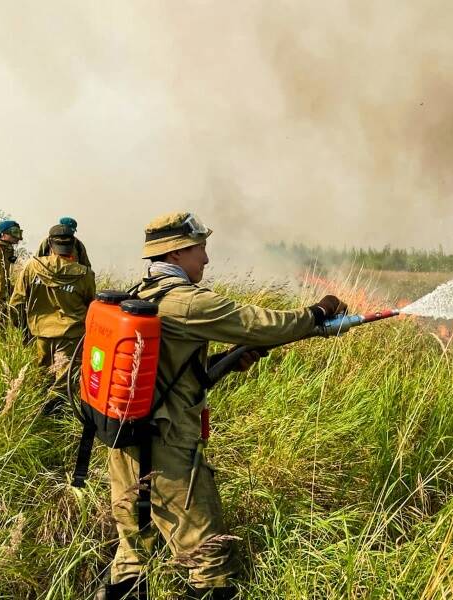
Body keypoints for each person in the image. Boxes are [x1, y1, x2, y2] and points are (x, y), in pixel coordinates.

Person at [99, 212, 346, 600]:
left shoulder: (139, 294)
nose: (207, 260)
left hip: (124, 441)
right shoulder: (186, 302)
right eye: (201, 249)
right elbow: (263, 324)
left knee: (134, 549)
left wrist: (226, 361)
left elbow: (169, 373)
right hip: (169, 450)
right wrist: (318, 312)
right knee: (208, 557)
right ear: (178, 252)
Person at [10, 224, 96, 414]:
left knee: (39, 378)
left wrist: (23, 331)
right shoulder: (85, 274)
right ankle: (53, 421)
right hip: (71, 338)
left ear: (50, 243)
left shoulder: (32, 267)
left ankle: (36, 417)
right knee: (63, 385)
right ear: (73, 244)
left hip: (39, 335)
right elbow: (92, 307)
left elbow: (15, 303)